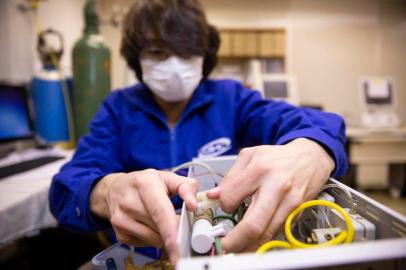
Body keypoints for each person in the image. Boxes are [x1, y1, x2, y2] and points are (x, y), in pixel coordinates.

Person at [49, 0, 347, 265]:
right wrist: (106, 192)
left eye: (186, 52)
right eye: (158, 52)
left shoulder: (232, 99)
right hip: (139, 258)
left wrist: (310, 149)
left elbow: (321, 123)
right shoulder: (118, 109)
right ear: (136, 57)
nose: (175, 65)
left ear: (204, 55)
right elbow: (64, 190)